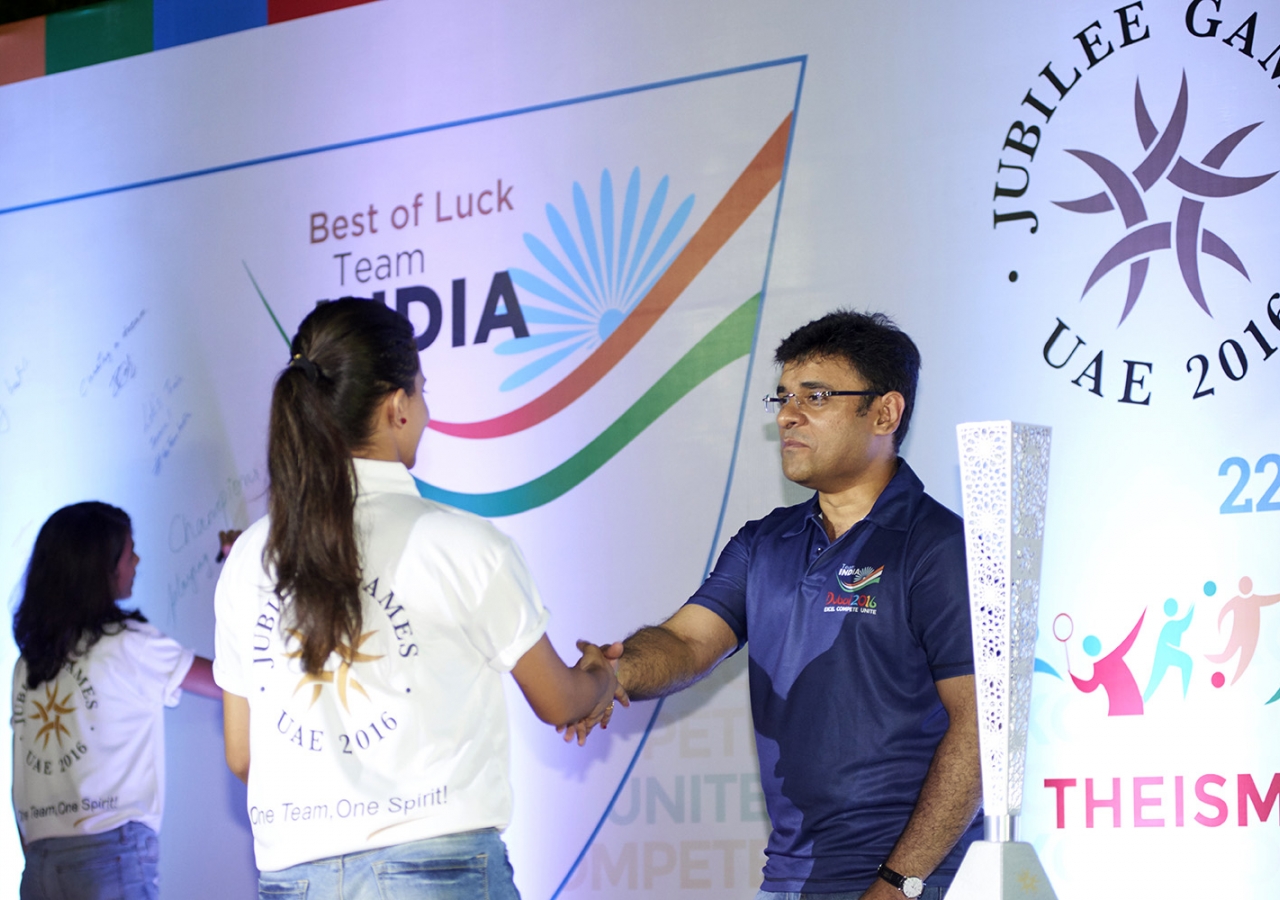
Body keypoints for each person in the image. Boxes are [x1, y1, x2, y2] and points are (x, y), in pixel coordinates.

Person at [213, 297, 617, 898]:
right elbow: (559, 701)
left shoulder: (248, 558)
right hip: (437, 874)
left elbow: (244, 755)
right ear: (396, 406)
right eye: (422, 393)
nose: (426, 413)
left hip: (294, 879)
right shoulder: (463, 543)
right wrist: (604, 678)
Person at [569, 310, 982, 900]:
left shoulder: (938, 545)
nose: (788, 415)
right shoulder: (765, 543)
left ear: (885, 413)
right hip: (790, 881)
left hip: (918, 884)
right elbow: (686, 643)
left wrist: (898, 884)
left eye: (815, 396)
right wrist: (613, 672)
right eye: (784, 396)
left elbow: (977, 730)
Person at [11, 501, 221, 900]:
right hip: (111, 856)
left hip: (38, 864)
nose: (137, 560)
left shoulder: (28, 662)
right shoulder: (128, 643)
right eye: (129, 552)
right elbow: (228, 682)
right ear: (100, 568)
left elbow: (18, 779)